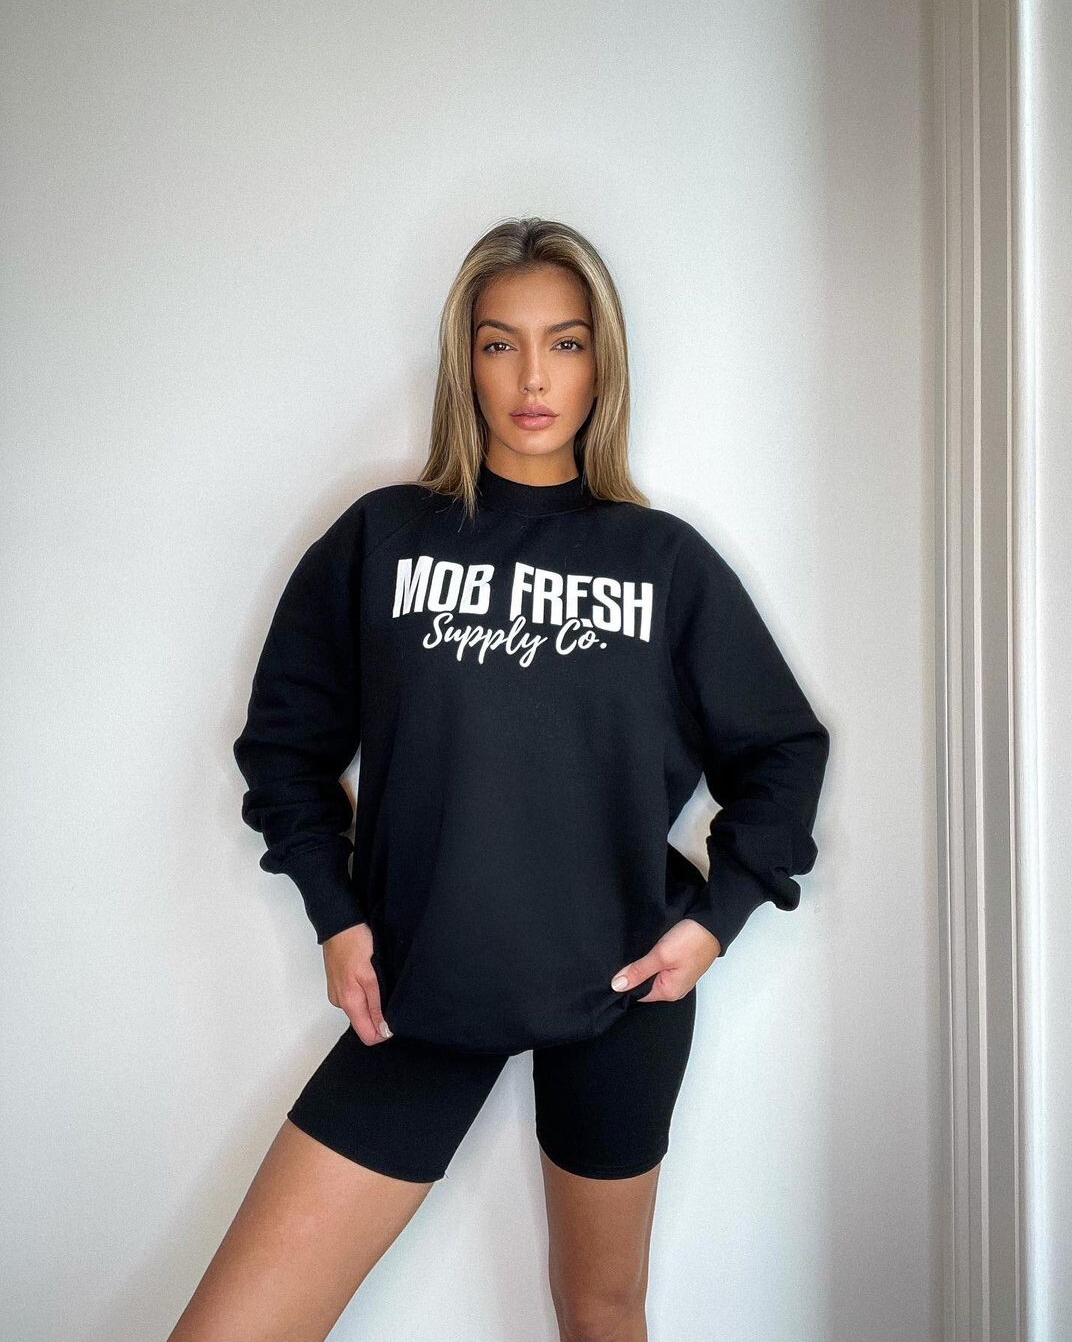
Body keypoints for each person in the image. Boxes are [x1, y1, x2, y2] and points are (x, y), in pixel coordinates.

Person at [168, 217, 830, 1341]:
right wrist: (335, 913)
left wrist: (713, 922)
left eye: (564, 343)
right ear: (463, 362)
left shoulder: (662, 562)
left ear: (600, 362)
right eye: (499, 343)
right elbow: (282, 745)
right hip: (420, 992)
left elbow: (782, 750)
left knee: (601, 1312)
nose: (532, 377)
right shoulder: (382, 539)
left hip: (621, 993)